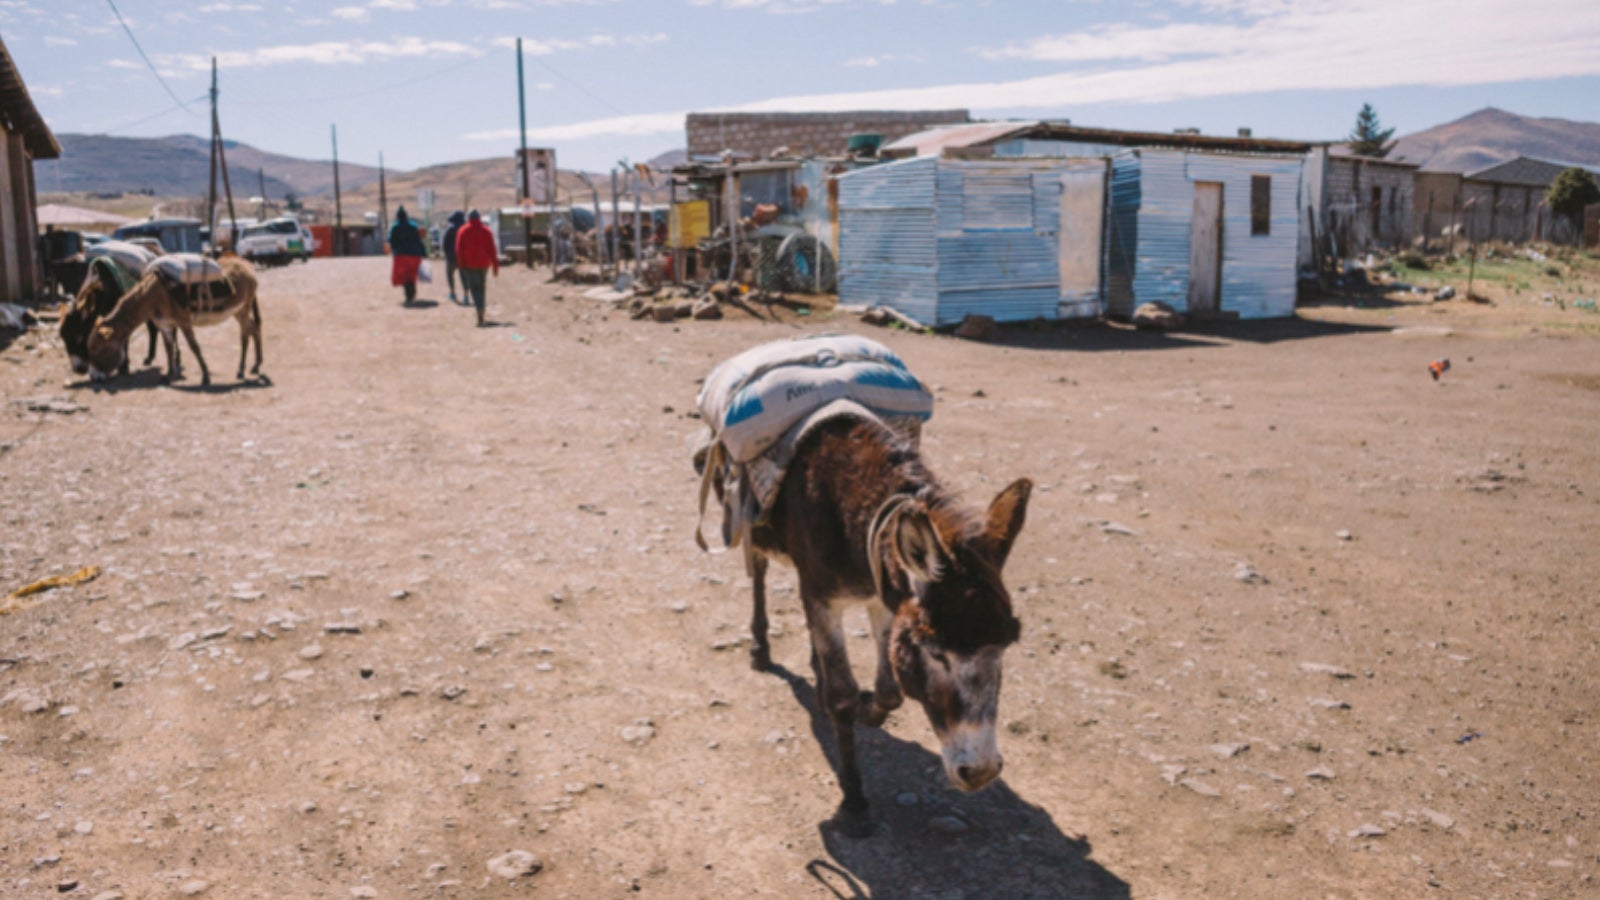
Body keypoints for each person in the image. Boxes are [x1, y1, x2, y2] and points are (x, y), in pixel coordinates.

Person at [454, 209, 499, 327]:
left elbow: (459, 250)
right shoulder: (486, 231)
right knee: (482, 287)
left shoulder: (463, 231)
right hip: (484, 264)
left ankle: (479, 308)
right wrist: (495, 265)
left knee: (474, 288)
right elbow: (492, 249)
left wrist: (461, 264)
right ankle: (481, 308)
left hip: (469, 264)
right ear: (479, 218)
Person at [387, 206, 426, 304]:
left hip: (401, 255)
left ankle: (408, 294)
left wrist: (394, 248)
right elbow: (419, 239)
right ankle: (411, 292)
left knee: (403, 275)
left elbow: (391, 240)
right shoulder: (413, 225)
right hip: (414, 254)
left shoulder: (395, 227)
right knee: (411, 274)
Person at [441, 210, 466, 304]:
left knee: (449, 274)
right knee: (464, 276)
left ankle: (452, 293)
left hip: (451, 256)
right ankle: (466, 295)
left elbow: (445, 243)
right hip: (462, 256)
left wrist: (446, 253)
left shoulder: (450, 228)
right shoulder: (464, 227)